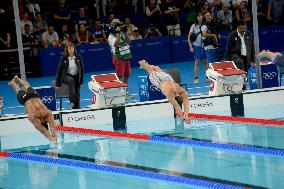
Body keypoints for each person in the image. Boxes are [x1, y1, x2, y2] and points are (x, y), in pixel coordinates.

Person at [139, 60, 191, 124]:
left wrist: (183, 117)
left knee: (150, 70)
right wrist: (186, 114)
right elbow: (184, 104)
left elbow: (177, 107)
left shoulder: (169, 94)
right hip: (168, 79)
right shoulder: (182, 91)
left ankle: (142, 63)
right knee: (156, 68)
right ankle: (143, 63)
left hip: (158, 81)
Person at [8, 75, 57, 142]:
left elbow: (50, 129)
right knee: (18, 88)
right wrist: (53, 140)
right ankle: (14, 82)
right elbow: (47, 131)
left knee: (26, 85)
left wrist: (54, 138)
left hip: (32, 97)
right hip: (27, 99)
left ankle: (16, 80)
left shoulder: (47, 113)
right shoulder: (43, 115)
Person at [55, 42, 84, 109]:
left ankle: (77, 108)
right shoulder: (63, 58)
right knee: (71, 80)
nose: (71, 49)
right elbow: (59, 71)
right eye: (69, 48)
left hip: (76, 76)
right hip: (66, 76)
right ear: (67, 49)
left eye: (72, 48)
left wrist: (81, 81)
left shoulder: (78, 57)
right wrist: (57, 84)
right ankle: (71, 101)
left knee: (77, 92)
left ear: (74, 49)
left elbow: (81, 70)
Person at [108, 19, 132, 86]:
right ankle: (121, 93)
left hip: (126, 56)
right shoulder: (111, 36)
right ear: (114, 26)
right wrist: (118, 34)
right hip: (118, 57)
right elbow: (116, 45)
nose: (120, 26)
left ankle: (126, 92)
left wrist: (125, 33)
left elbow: (129, 42)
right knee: (120, 77)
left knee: (127, 76)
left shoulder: (122, 33)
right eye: (118, 25)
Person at [188, 12, 208, 84]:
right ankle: (196, 79)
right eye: (198, 16)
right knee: (197, 62)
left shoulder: (205, 25)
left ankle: (207, 78)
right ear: (196, 17)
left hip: (204, 46)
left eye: (201, 16)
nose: (200, 17)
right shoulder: (193, 26)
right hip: (196, 46)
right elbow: (189, 37)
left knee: (206, 62)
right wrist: (190, 46)